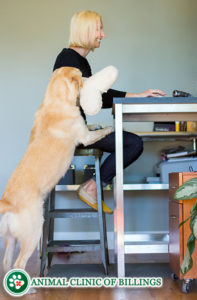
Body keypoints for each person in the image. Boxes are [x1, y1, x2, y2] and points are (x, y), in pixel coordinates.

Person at [53, 10, 166, 214]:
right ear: (86, 30)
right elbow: (84, 98)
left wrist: (138, 95)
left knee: (131, 143)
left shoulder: (77, 60)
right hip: (68, 132)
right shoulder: (68, 59)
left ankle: (92, 186)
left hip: (74, 129)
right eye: (99, 29)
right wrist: (137, 95)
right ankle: (91, 187)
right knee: (133, 143)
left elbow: (97, 96)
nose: (103, 35)